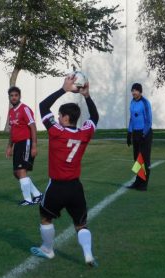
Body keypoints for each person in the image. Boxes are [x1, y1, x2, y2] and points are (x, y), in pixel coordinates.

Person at [30, 75, 99, 267]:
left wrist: (64, 89)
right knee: (81, 225)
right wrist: (87, 96)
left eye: (60, 115)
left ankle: (47, 249)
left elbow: (43, 106)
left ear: (66, 118)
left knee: (45, 217)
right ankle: (87, 253)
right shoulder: (85, 133)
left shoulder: (56, 132)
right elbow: (94, 118)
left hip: (57, 186)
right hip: (76, 187)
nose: (58, 118)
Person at [6, 86, 43, 206]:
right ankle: (37, 195)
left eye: (16, 95)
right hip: (17, 144)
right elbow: (12, 130)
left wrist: (34, 146)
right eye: (11, 95)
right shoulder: (11, 112)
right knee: (16, 173)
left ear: (20, 96)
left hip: (26, 142)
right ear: (9, 97)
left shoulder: (25, 109)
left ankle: (28, 199)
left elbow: (33, 127)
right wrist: (9, 146)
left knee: (21, 171)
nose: (14, 97)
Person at [126, 83, 152, 191]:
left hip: (145, 134)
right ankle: (138, 181)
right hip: (135, 133)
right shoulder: (132, 102)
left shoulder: (145, 103)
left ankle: (144, 184)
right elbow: (132, 119)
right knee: (137, 159)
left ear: (140, 92)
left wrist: (143, 133)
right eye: (132, 90)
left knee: (144, 159)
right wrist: (129, 133)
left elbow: (149, 121)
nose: (133, 92)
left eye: (135, 90)